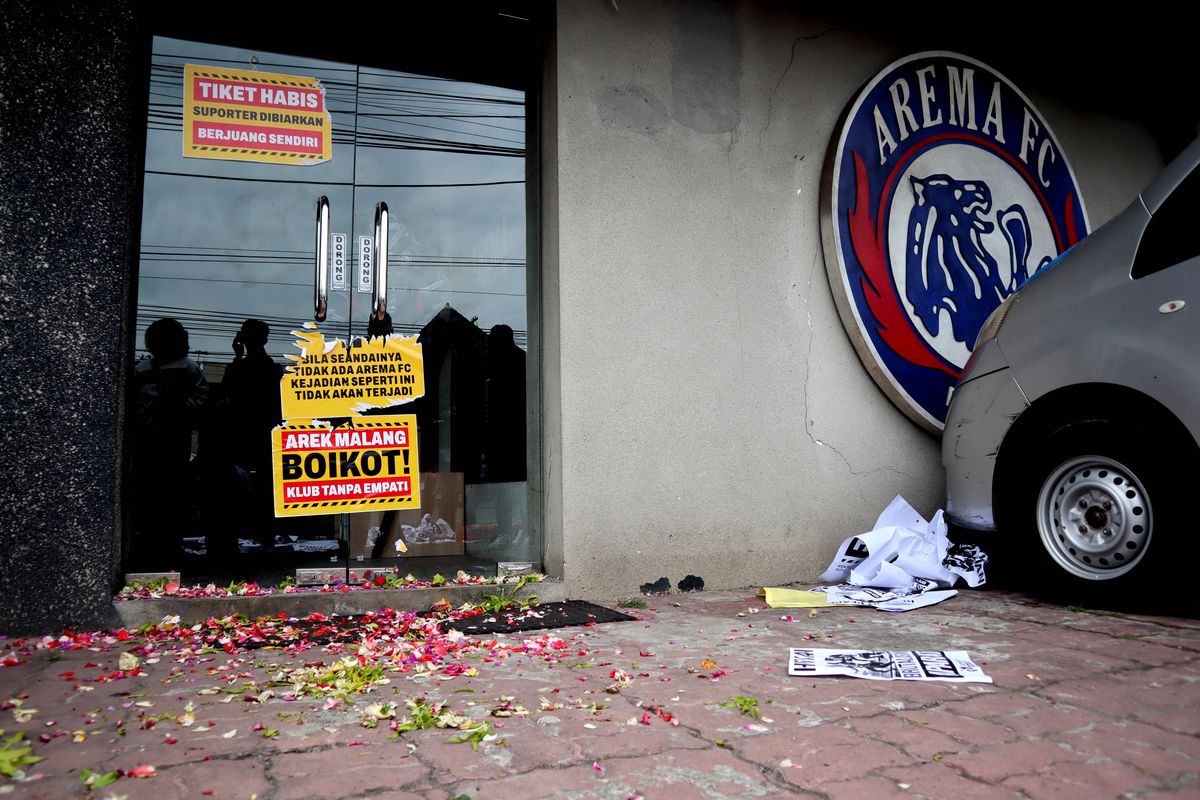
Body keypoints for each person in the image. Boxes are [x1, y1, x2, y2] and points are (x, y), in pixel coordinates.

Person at [130, 318, 209, 569]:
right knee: (160, 497)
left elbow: (201, 401)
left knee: (166, 497)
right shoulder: (145, 369)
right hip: (156, 441)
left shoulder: (182, 367)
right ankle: (157, 548)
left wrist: (178, 409)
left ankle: (165, 548)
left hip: (169, 439)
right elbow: (202, 400)